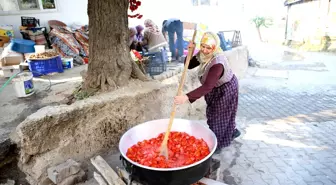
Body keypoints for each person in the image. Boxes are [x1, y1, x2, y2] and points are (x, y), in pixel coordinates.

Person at [174, 32, 241, 152]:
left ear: (214, 48)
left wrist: (186, 97)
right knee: (217, 114)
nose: (204, 50)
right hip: (215, 88)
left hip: (226, 89)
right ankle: (232, 132)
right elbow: (188, 65)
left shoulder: (217, 63)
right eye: (203, 46)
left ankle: (218, 145)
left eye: (208, 47)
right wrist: (191, 51)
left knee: (218, 117)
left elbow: (207, 86)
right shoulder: (203, 55)